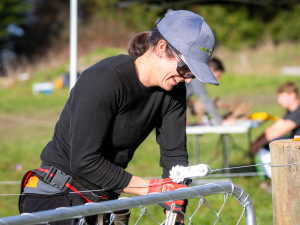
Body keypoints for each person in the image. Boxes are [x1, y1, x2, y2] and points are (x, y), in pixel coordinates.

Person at [18, 10, 218, 225]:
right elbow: (84, 161)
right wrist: (151, 187)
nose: (188, 80)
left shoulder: (174, 90)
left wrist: (176, 212)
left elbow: (174, 156)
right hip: (58, 196)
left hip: (105, 200)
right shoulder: (104, 79)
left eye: (193, 74)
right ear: (161, 49)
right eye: (186, 69)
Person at [251, 82, 300, 180]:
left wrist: (258, 144)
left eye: (281, 97)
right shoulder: (291, 111)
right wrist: (257, 141)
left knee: (266, 145)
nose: (279, 101)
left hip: (297, 145)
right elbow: (274, 128)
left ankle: (279, 178)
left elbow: (280, 131)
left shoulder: (298, 111)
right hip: (295, 142)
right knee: (267, 143)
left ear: (292, 95)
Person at [186, 58, 231, 125]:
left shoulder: (194, 72)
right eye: (217, 76)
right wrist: (222, 121)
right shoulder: (196, 75)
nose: (217, 80)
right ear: (211, 69)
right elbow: (206, 101)